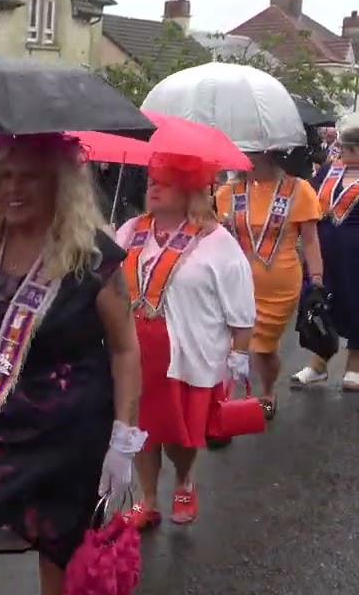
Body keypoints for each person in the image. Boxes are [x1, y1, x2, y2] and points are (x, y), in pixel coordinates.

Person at [0, 133, 143, 595]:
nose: (13, 190)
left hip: (67, 434)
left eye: (29, 178)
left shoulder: (92, 255)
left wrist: (123, 438)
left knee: (60, 549)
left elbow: (124, 350)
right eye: (3, 178)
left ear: (58, 186)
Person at [114, 154, 255, 530]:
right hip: (135, 353)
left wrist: (239, 354)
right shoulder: (130, 230)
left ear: (191, 190)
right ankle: (147, 499)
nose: (153, 188)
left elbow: (241, 309)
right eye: (151, 181)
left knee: (178, 434)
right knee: (139, 430)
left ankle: (184, 480)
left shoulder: (217, 241)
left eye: (166, 182)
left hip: (189, 356)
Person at [215, 152, 323, 419]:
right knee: (226, 344)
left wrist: (318, 280)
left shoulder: (299, 189)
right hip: (235, 281)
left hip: (280, 284)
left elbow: (309, 240)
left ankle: (267, 391)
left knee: (263, 348)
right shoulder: (228, 192)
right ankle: (222, 403)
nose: (249, 156)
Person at [293, 119, 359, 389]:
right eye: (342, 147)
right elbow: (306, 195)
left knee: (356, 302)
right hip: (323, 250)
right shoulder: (330, 171)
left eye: (349, 148)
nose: (342, 152)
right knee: (319, 303)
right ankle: (318, 363)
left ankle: (355, 364)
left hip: (356, 256)